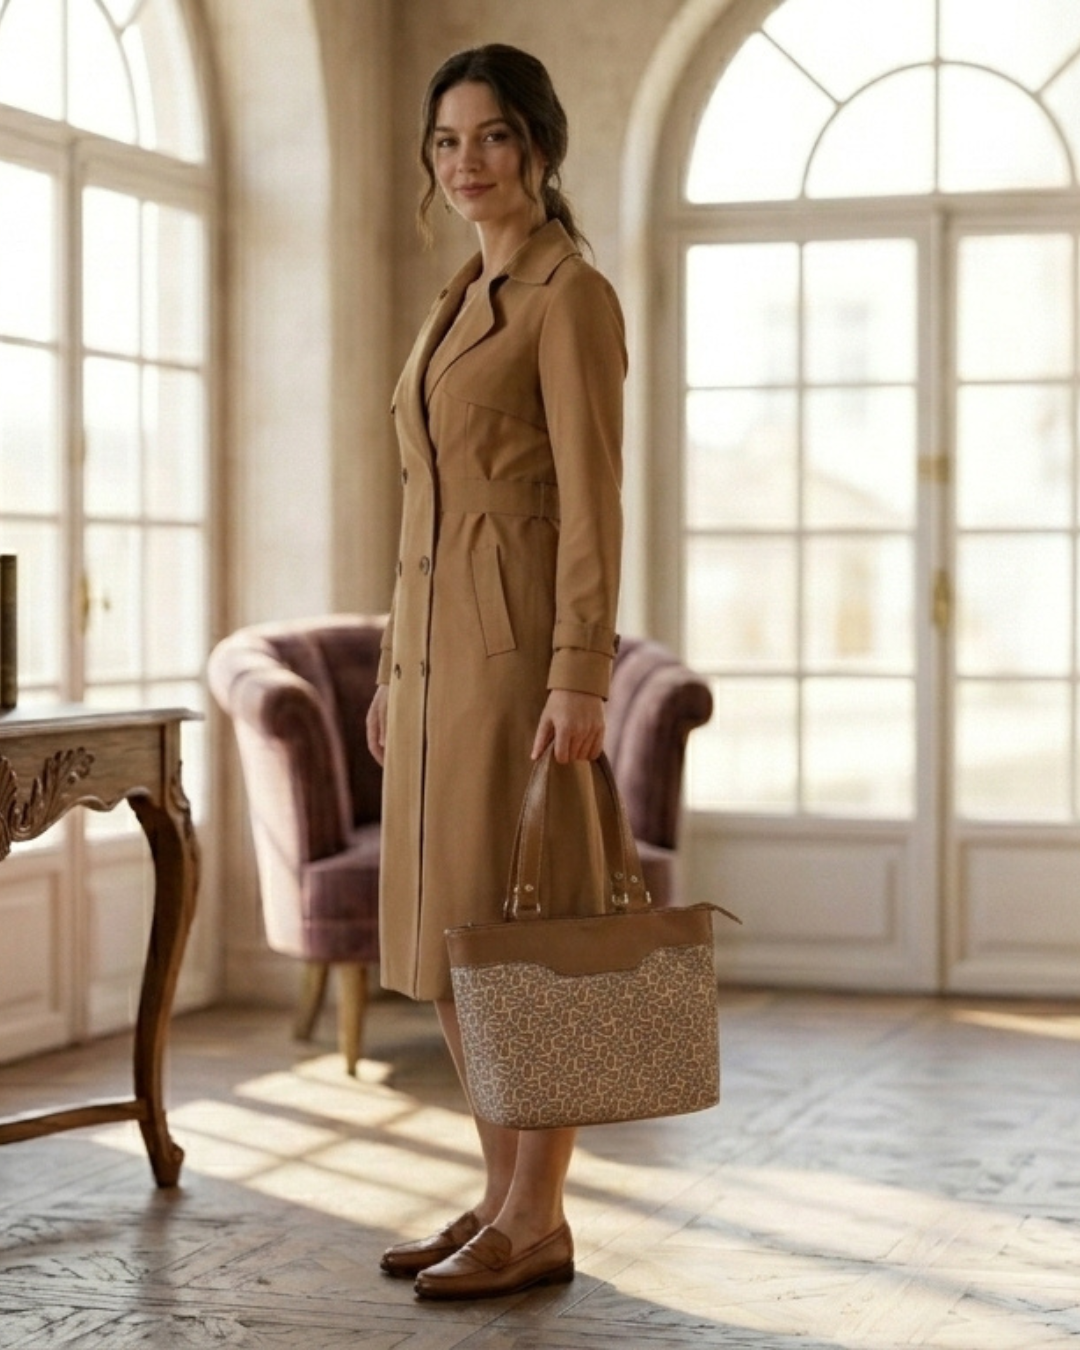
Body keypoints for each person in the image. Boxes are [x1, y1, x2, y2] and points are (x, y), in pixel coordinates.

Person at [365, 43, 625, 1302]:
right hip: (432, 665)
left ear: (539, 146)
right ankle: (498, 1200)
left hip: (520, 659)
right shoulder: (457, 300)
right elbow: (421, 502)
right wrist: (387, 666)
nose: (466, 164)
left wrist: (581, 670)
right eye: (446, 143)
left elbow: (594, 503)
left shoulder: (570, 294)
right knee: (456, 939)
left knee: (524, 946)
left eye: (492, 138)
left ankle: (540, 1215)